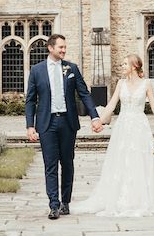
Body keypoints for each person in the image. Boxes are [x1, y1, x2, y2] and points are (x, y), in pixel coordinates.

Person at [71, 54, 154, 217]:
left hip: (140, 127)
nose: (122, 66)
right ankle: (121, 197)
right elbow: (111, 105)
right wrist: (99, 121)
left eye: (125, 64)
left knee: (140, 161)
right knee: (121, 159)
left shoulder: (146, 84)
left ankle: (141, 198)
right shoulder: (121, 83)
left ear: (134, 66)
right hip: (123, 126)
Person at [25, 33, 102, 219]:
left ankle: (65, 202)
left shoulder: (71, 68)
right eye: (60, 47)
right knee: (50, 165)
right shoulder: (37, 70)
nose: (64, 50)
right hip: (47, 123)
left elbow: (84, 94)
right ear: (50, 48)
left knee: (67, 163)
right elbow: (30, 100)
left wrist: (94, 116)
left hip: (67, 122)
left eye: (65, 47)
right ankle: (53, 204)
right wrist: (30, 126)